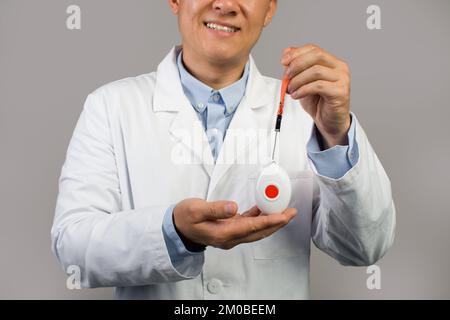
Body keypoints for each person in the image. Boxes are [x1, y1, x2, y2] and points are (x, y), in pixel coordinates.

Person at [51, 0, 396, 299]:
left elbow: (365, 247)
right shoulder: (110, 107)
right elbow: (74, 248)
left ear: (270, 8)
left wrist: (336, 136)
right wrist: (174, 231)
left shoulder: (309, 112)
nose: (225, 4)